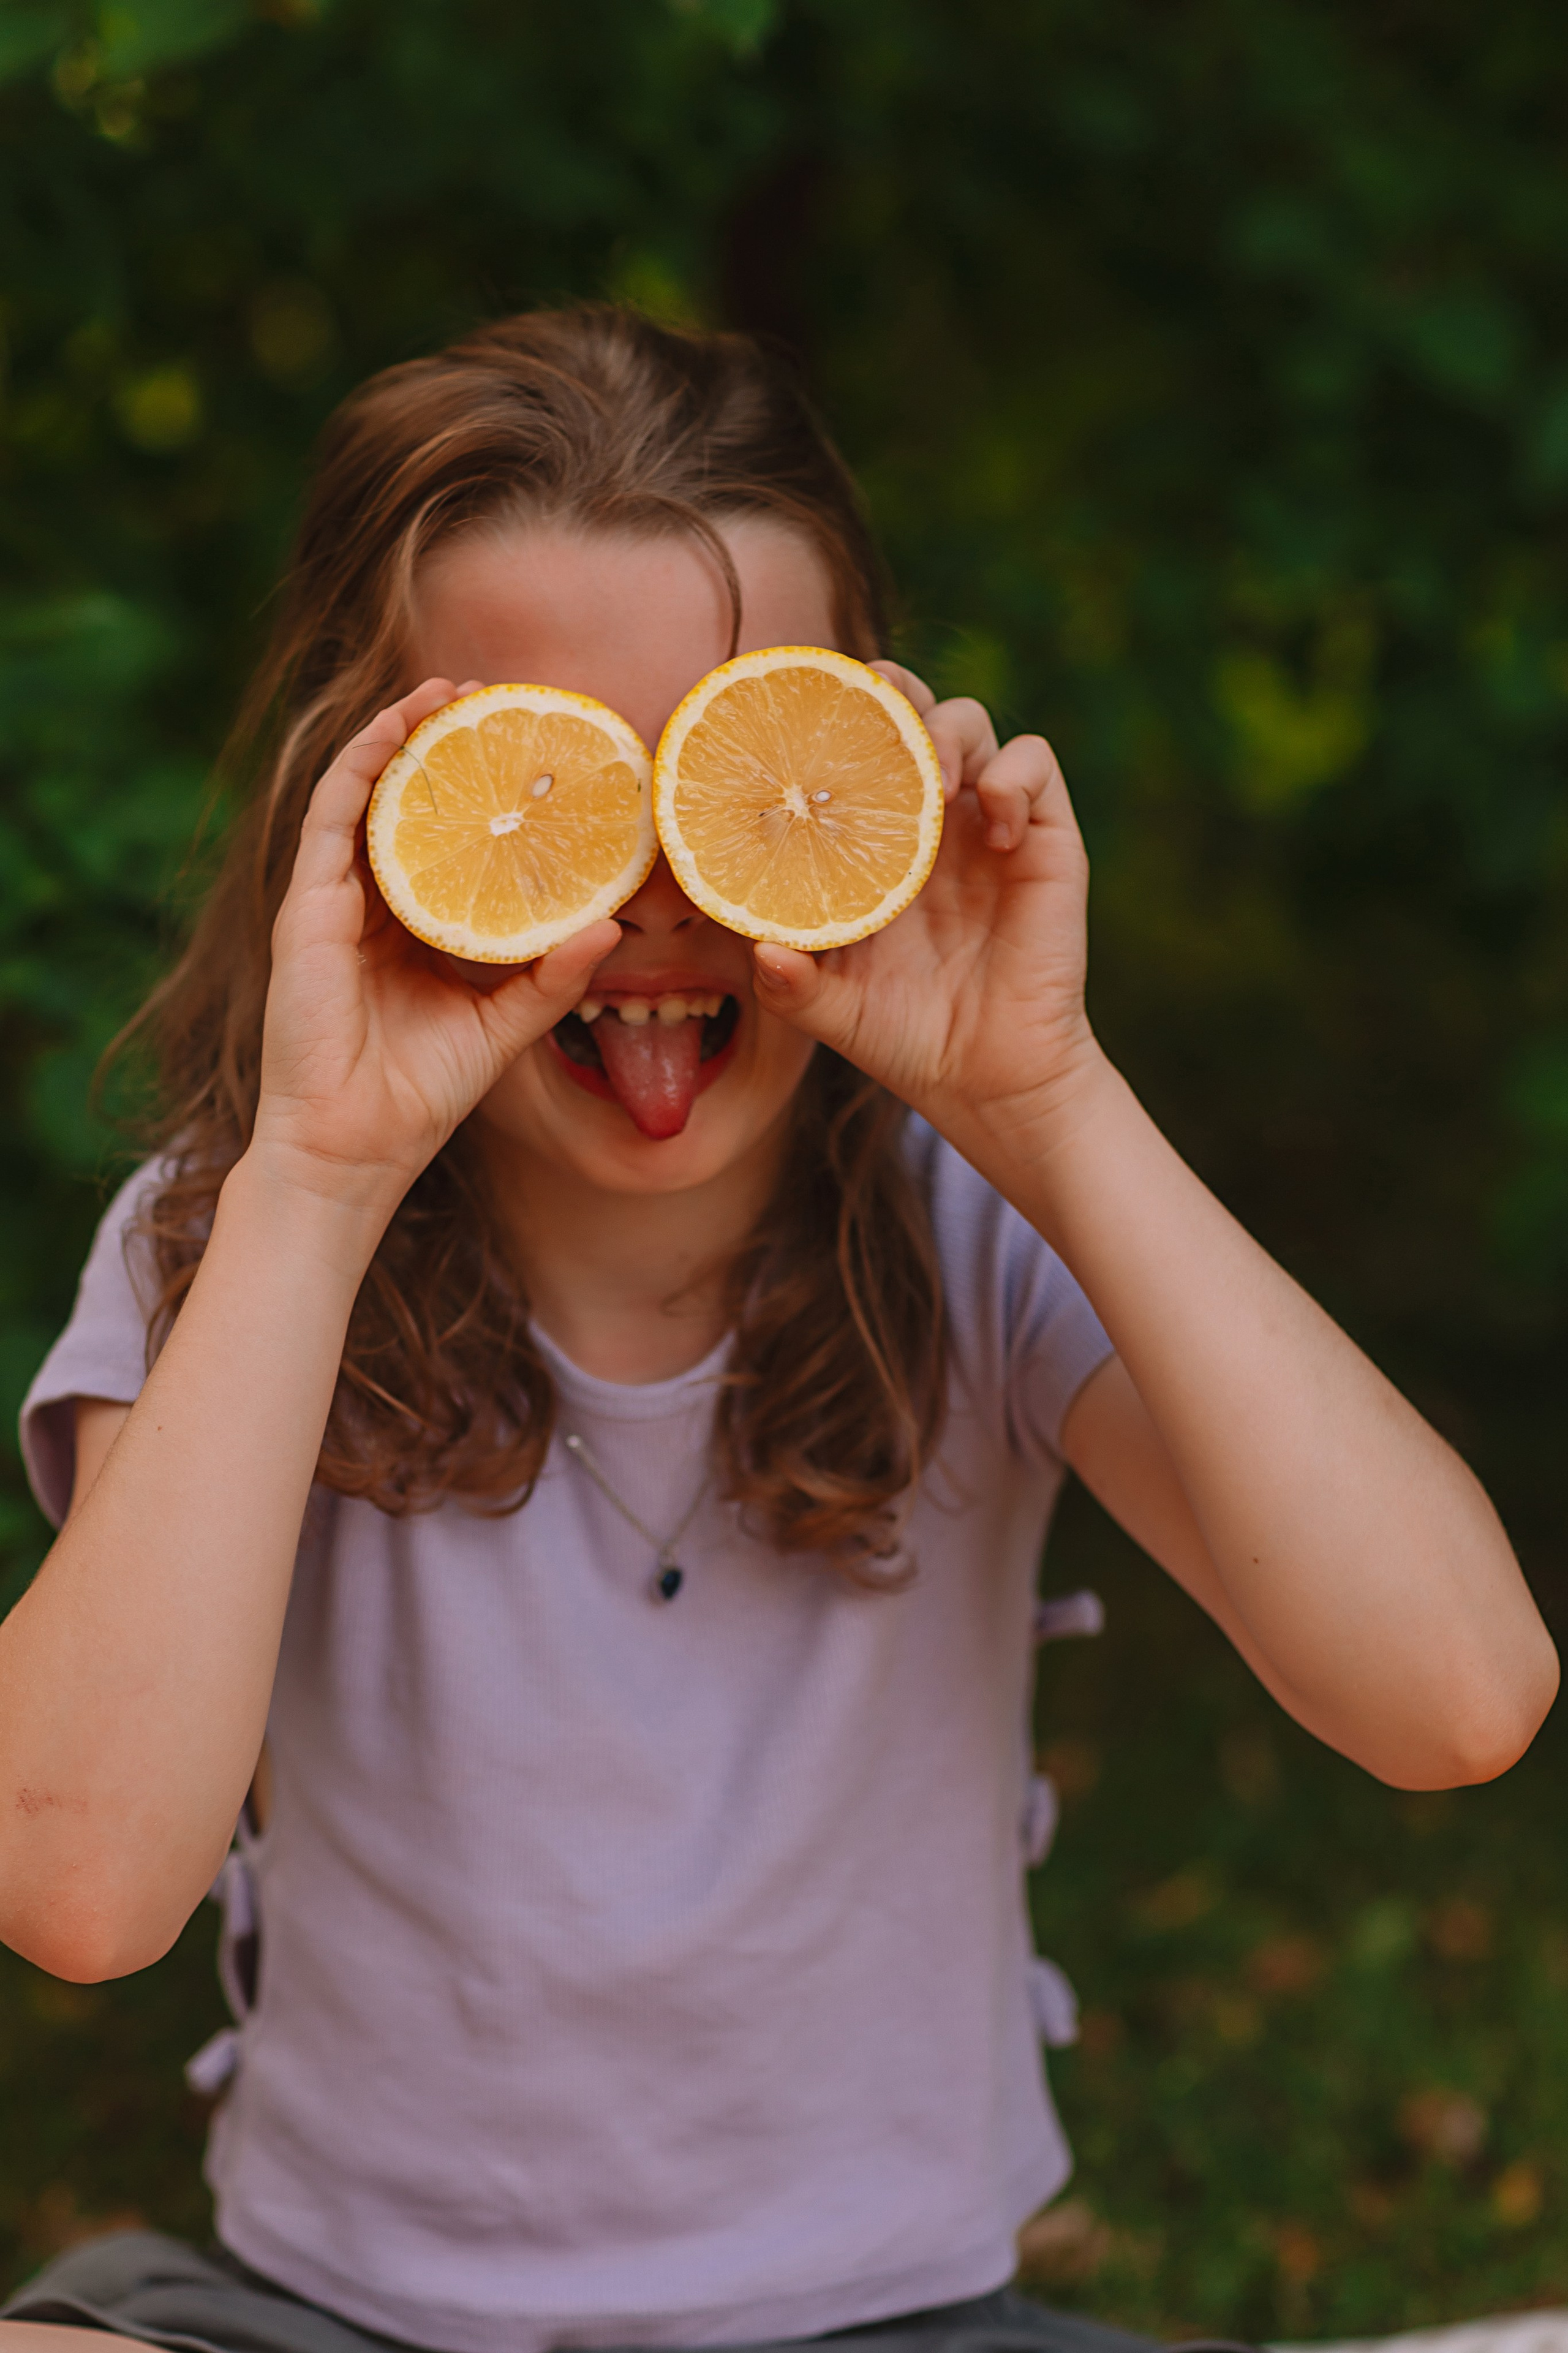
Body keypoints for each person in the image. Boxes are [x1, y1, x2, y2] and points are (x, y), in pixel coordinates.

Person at [0, 305, 1555, 2353]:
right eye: (549, 786)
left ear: (865, 775)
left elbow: (1454, 1695)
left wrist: (1050, 1104)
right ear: (370, 809)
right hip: (340, 2324)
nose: (649, 900)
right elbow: (82, 1890)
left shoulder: (978, 1227)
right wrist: (317, 1174)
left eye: (727, 778)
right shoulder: (238, 1241)